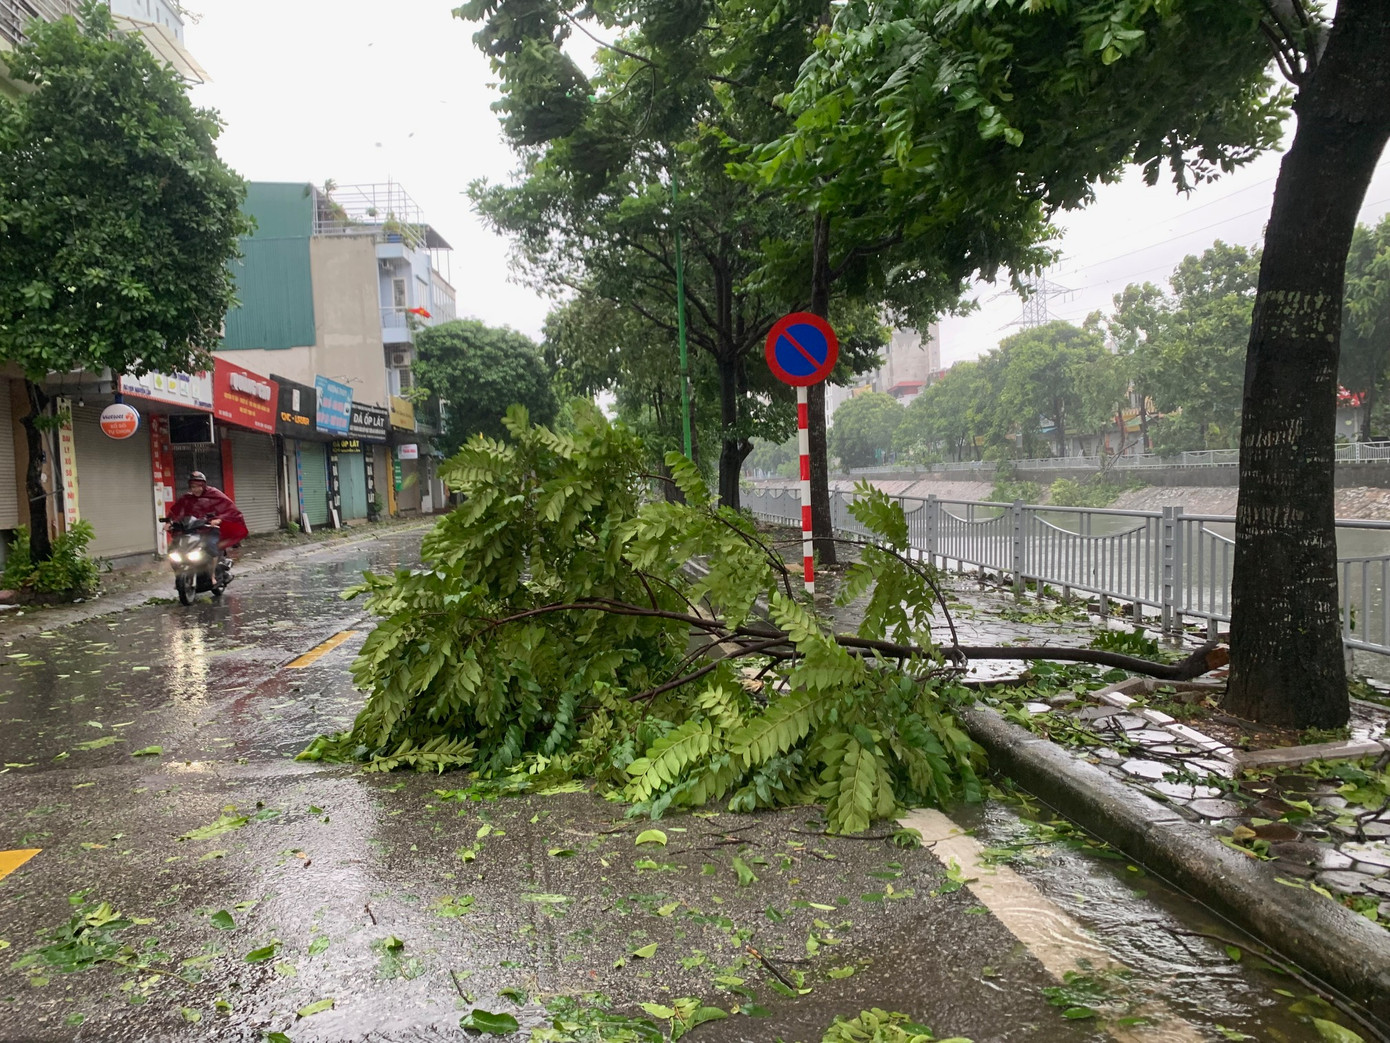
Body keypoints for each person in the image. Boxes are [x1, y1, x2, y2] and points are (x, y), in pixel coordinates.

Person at [165, 471, 249, 565]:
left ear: (204, 485)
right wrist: (170, 522)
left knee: (211, 545)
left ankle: (213, 574)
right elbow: (176, 511)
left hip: (209, 529)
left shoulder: (214, 494)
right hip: (192, 531)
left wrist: (219, 519)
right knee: (175, 548)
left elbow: (230, 509)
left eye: (199, 486)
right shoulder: (186, 498)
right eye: (193, 487)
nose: (196, 489)